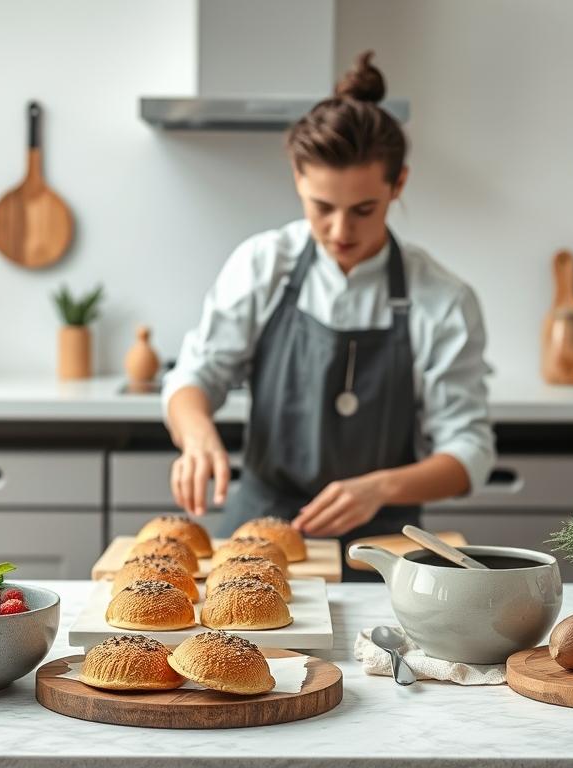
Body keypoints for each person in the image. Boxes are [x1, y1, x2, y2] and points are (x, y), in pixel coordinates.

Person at [161, 51, 495, 578]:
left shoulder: (443, 298)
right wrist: (197, 432)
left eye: (364, 209)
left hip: (388, 552)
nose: (341, 230)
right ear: (297, 178)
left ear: (398, 185)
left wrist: (381, 486)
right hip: (258, 536)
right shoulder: (263, 265)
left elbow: (469, 450)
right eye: (322, 207)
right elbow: (195, 377)